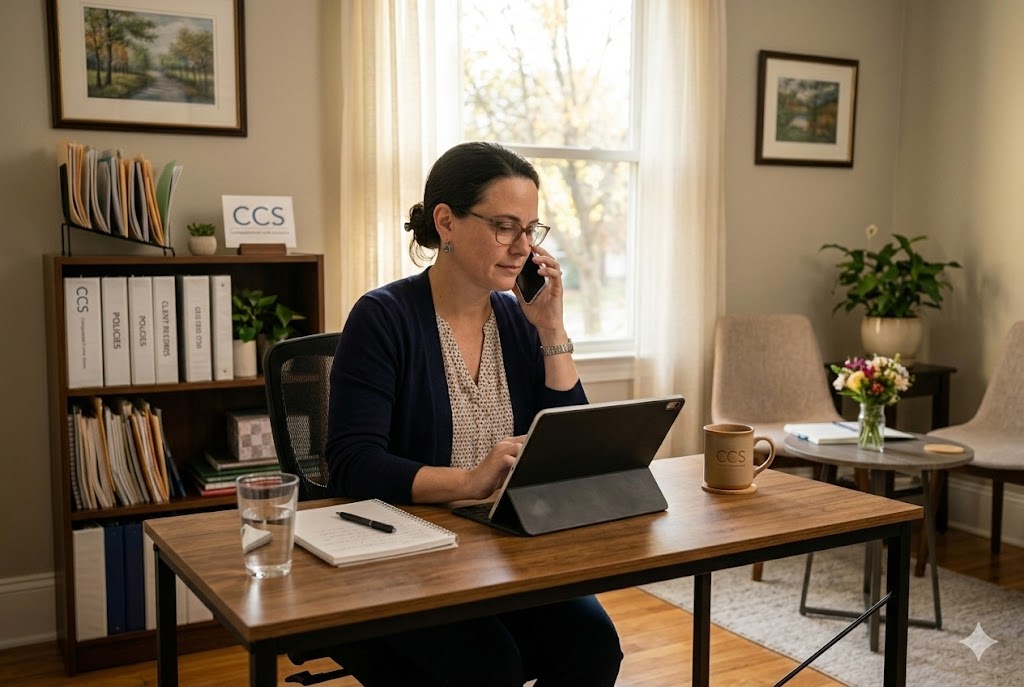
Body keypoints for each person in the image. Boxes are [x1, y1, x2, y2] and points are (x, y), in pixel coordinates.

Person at [326, 141, 622, 686]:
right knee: (489, 667)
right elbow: (351, 463)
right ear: (446, 222)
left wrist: (551, 329)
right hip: (407, 554)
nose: (523, 247)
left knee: (594, 645)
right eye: (505, 227)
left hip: (502, 549)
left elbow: (568, 449)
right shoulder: (382, 318)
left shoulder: (518, 321)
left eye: (530, 230)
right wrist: (468, 480)